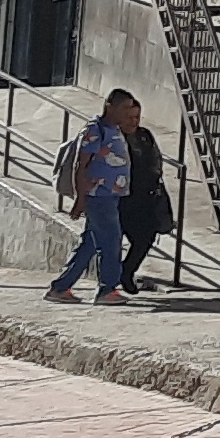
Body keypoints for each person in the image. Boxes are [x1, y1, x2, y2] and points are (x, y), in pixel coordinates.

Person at [46, 90, 139, 305]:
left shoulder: (114, 130)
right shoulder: (94, 130)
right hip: (99, 196)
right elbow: (81, 164)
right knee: (111, 242)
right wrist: (80, 199)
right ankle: (107, 289)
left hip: (111, 195)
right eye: (124, 108)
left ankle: (61, 287)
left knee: (89, 243)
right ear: (109, 106)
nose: (127, 113)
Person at [117, 113, 174, 296]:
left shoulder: (144, 135)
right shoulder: (114, 137)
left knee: (146, 236)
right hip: (121, 196)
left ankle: (126, 272)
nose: (134, 121)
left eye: (136, 117)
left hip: (145, 196)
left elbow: (155, 158)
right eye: (129, 117)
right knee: (110, 241)